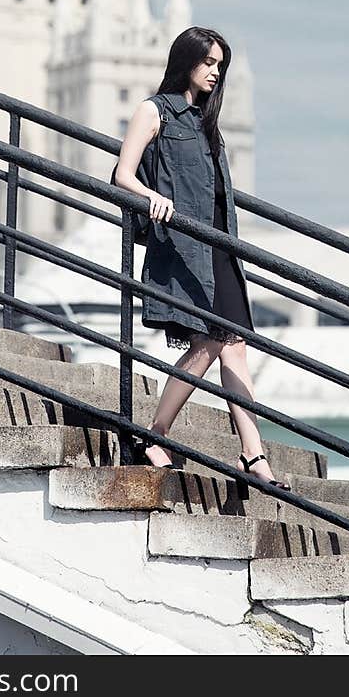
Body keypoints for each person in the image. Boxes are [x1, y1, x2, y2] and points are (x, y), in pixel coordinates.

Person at [114, 25, 290, 490]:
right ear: (185, 60)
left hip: (220, 248)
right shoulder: (154, 112)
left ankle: (252, 455)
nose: (215, 72)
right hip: (184, 248)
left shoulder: (207, 124)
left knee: (234, 346)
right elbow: (121, 174)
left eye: (220, 66)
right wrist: (152, 196)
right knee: (212, 344)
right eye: (208, 62)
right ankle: (159, 436)